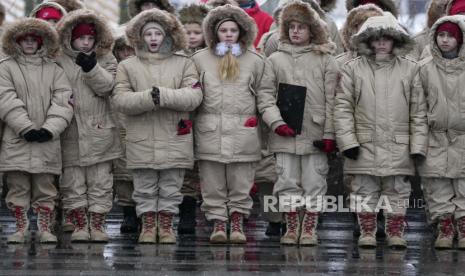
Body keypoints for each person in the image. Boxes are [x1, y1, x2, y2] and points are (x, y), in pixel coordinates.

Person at [334, 14, 427, 249]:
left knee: (397, 189)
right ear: (368, 41)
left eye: (387, 38)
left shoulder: (410, 70)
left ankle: (395, 230)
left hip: (399, 143)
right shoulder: (353, 69)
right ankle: (367, 230)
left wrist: (417, 146)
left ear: (395, 40)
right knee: (364, 188)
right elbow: (343, 108)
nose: (382, 43)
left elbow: (418, 111)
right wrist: (348, 142)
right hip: (364, 143)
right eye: (376, 39)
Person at [113, 9, 203, 244]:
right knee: (144, 186)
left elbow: (194, 96)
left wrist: (162, 95)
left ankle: (165, 225)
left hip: (174, 135)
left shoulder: (184, 63)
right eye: (148, 34)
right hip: (141, 137)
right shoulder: (128, 66)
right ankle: (148, 224)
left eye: (158, 33)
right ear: (139, 37)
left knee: (171, 186)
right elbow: (120, 99)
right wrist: (147, 99)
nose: (153, 38)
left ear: (168, 36)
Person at [259, 0, 338, 245]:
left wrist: (330, 134)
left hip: (315, 134)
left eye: (301, 27)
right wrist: (275, 123)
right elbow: (264, 96)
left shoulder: (326, 60)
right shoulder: (274, 60)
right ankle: (292, 226)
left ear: (312, 30)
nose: (295, 31)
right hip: (284, 134)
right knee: (286, 181)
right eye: (291, 26)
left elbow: (334, 100)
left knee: (315, 182)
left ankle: (309, 228)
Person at [191, 4, 271, 244]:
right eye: (223, 29)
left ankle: (237, 221)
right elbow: (192, 96)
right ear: (214, 32)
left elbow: (264, 96)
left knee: (241, 182)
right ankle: (218, 221)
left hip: (243, 133)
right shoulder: (199, 60)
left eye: (232, 30)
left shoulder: (255, 61)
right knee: (213, 184)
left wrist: (272, 123)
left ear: (241, 32)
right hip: (209, 132)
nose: (227, 34)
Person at [0, 18, 74, 244]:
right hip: (16, 137)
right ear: (17, 41)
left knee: (45, 186)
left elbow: (63, 100)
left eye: (35, 39)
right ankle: (21, 226)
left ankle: (44, 226)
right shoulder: (6, 67)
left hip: (47, 139)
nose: (30, 43)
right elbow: (5, 97)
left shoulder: (54, 69)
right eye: (25, 40)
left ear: (42, 42)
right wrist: (24, 126)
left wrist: (50, 129)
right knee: (17, 185)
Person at [56, 9, 122, 243]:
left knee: (100, 181)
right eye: (81, 38)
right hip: (70, 131)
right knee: (73, 182)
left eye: (90, 38)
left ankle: (98, 223)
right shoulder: (59, 59)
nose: (85, 42)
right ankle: (80, 223)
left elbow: (107, 88)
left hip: (99, 129)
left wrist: (91, 68)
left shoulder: (107, 58)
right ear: (70, 37)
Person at [418, 15, 465, 249]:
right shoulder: (425, 69)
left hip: (463, 137)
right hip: (435, 136)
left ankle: (464, 226)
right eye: (441, 35)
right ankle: (444, 226)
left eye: (451, 36)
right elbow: (417, 107)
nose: (445, 40)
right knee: (438, 187)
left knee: (463, 185)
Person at [111, 27, 139, 234]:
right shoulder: (112, 72)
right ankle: (128, 213)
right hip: (116, 128)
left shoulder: (142, 70)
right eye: (123, 50)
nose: (127, 54)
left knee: (141, 174)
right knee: (122, 176)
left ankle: (143, 213)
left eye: (131, 49)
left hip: (139, 127)